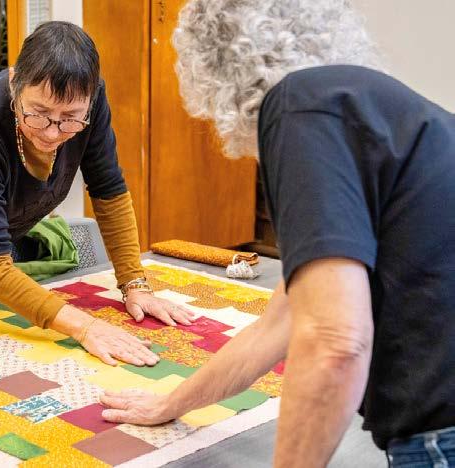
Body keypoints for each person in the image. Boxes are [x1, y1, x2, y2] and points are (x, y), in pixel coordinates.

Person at [100, 1, 455, 466]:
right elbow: (278, 325)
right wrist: (171, 403)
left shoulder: (300, 105)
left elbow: (335, 342)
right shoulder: (365, 107)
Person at [0, 21, 195, 367]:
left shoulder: (91, 100)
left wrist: (134, 284)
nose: (52, 133)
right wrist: (85, 327)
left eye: (70, 118)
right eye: (39, 114)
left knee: (3, 338)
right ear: (15, 83)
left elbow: (108, 190)